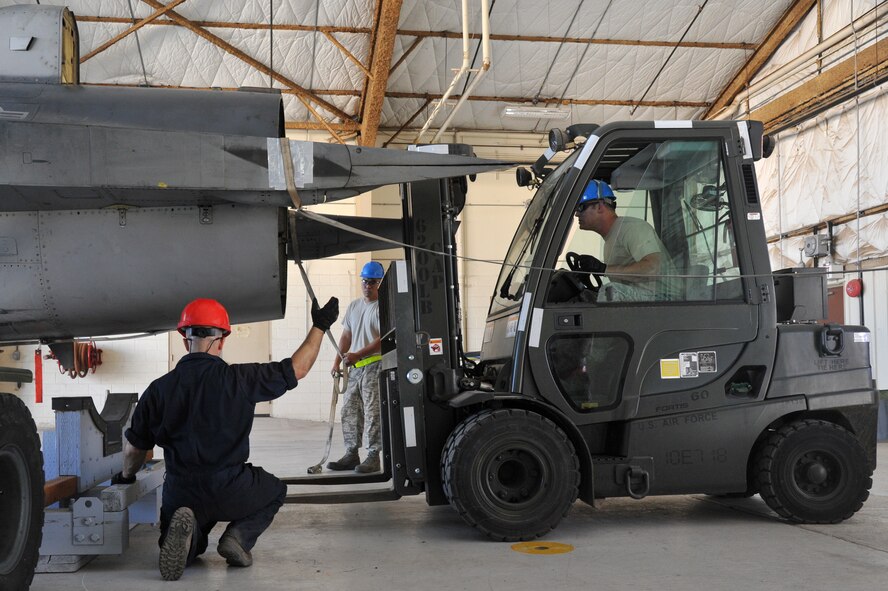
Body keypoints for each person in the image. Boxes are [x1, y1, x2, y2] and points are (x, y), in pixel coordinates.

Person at [113, 296, 339, 581]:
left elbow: (134, 448)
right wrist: (319, 326)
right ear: (222, 340)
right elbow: (298, 368)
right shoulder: (241, 379)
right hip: (231, 488)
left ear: (185, 340)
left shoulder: (158, 390)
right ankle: (238, 538)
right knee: (275, 490)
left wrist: (126, 477)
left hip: (181, 490)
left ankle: (191, 535)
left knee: (187, 532)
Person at [326, 261, 384, 474]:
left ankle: (373, 456)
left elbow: (382, 340)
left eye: (372, 282)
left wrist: (358, 354)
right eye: (364, 281)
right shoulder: (354, 306)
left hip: (375, 365)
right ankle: (351, 453)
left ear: (379, 283)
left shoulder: (383, 308)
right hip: (354, 367)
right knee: (349, 410)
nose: (367, 286)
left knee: (372, 412)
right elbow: (346, 336)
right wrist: (336, 362)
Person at [573, 179, 672, 301]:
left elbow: (654, 269)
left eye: (581, 207)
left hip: (665, 299)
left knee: (611, 292)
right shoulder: (611, 238)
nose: (576, 214)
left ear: (599, 206)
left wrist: (603, 269)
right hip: (648, 303)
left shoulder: (632, 228)